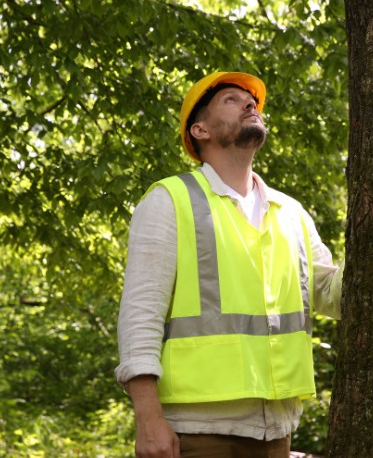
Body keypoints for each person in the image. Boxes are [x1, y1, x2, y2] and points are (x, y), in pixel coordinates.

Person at [115, 71, 343, 458]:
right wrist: (148, 419)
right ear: (199, 130)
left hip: (278, 432)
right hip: (198, 432)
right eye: (232, 100)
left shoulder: (290, 212)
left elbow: (330, 296)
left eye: (251, 101)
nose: (250, 105)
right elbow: (140, 316)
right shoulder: (170, 200)